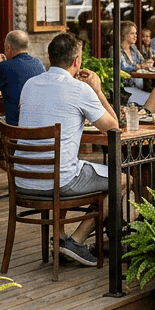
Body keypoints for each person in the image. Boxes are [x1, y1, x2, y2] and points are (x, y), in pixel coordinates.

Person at [15, 33, 120, 266]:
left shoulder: (29, 85)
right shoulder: (80, 90)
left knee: (66, 163)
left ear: (49, 57)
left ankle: (60, 237)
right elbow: (114, 128)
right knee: (122, 180)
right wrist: (98, 91)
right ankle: (76, 240)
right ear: (77, 61)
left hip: (22, 180)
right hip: (59, 181)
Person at [0, 29, 46, 145]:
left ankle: (4, 162)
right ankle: (7, 156)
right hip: (37, 127)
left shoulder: (4, 66)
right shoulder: (38, 63)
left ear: (8, 48)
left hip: (14, 129)